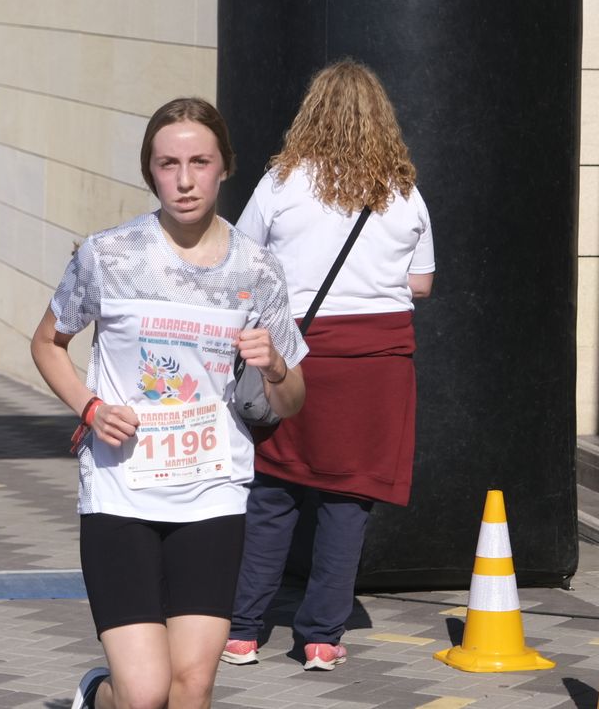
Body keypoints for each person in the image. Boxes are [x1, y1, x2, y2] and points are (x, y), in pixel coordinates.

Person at [30, 97, 308, 709]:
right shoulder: (109, 256)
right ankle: (101, 695)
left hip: (212, 488)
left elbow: (290, 402)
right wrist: (89, 407)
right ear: (149, 172)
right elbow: (48, 342)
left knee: (192, 685)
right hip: (121, 491)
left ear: (224, 167)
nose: (184, 180)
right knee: (145, 692)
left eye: (199, 162)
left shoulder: (258, 269)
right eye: (167, 164)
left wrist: (277, 366)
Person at [221, 59, 435, 672]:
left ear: (311, 113)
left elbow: (244, 260)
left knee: (273, 493)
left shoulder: (281, 183)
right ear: (382, 120)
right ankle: (320, 637)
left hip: (298, 353)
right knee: (348, 501)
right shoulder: (403, 192)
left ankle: (243, 631)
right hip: (378, 365)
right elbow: (420, 284)